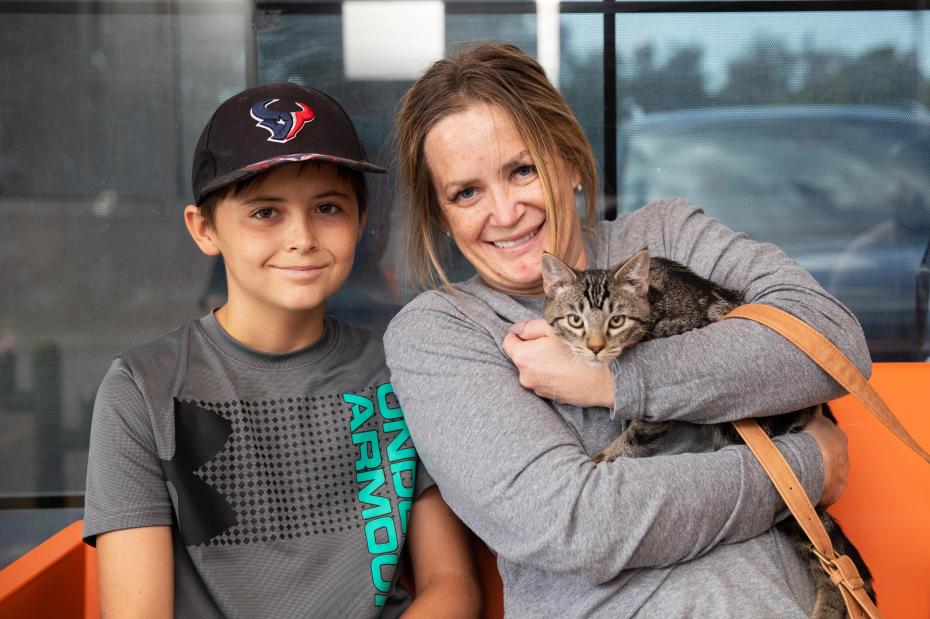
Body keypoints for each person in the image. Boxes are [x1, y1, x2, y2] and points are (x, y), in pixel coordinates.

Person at [384, 42, 869, 617]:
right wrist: (804, 467)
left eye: (523, 170)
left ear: (570, 163)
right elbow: (577, 528)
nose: (506, 212)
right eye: (466, 192)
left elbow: (832, 343)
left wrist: (616, 380)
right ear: (442, 215)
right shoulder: (440, 333)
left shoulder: (667, 235)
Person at [82, 83, 480, 618]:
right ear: (204, 228)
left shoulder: (401, 368)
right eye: (266, 212)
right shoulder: (142, 389)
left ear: (361, 220)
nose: (302, 237)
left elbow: (452, 585)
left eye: (328, 207)